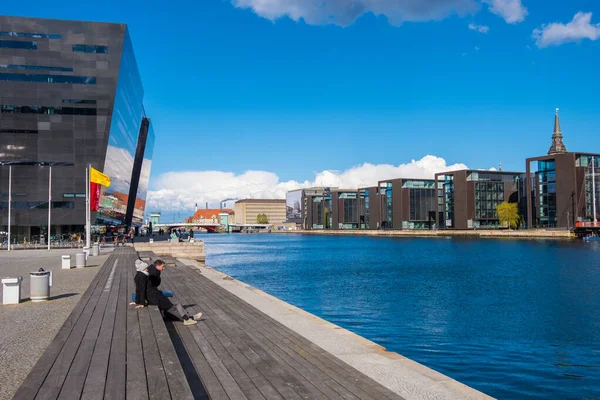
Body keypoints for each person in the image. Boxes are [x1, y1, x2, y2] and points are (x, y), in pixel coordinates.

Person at [147, 259, 202, 325]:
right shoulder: (154, 273)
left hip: (154, 294)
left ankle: (190, 318)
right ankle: (188, 319)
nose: (163, 268)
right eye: (162, 266)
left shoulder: (153, 271)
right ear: (158, 266)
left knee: (171, 310)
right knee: (173, 307)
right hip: (154, 295)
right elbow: (153, 285)